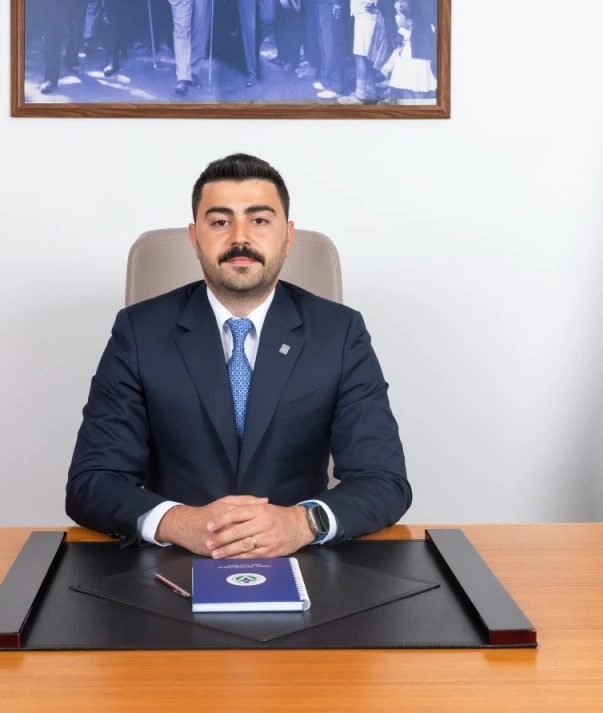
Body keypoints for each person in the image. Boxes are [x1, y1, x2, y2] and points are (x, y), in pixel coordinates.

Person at [65, 153, 412, 555]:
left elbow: (384, 480)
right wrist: (179, 522)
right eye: (220, 222)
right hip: (173, 561)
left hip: (302, 559)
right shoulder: (139, 331)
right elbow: (92, 480)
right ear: (195, 239)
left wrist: (302, 523)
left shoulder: (340, 332)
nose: (240, 238)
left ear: (288, 237)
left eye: (259, 220)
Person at [381, 0, 435, 99]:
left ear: (409, 21)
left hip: (418, 68)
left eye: (399, 14)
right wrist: (389, 65)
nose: (395, 17)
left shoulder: (419, 36)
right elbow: (398, 51)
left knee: (418, 91)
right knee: (405, 89)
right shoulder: (404, 34)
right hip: (405, 67)